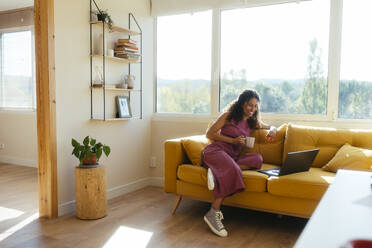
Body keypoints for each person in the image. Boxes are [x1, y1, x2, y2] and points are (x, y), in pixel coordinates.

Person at [202, 89, 277, 237]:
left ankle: (216, 173)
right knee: (234, 170)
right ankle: (213, 212)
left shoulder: (251, 122)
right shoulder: (228, 116)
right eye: (250, 105)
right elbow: (209, 134)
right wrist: (233, 141)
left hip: (231, 157)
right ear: (242, 103)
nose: (252, 109)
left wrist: (273, 130)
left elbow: (270, 126)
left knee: (257, 159)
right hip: (216, 152)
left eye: (255, 106)